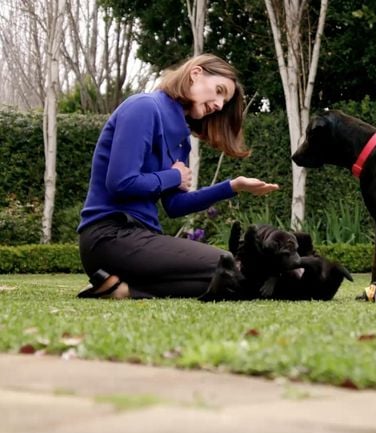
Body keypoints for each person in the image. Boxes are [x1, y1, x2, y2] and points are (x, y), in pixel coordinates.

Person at [76, 54, 279, 299]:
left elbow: (175, 206)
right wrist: (172, 176)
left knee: (236, 281)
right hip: (109, 237)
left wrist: (233, 186)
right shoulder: (143, 107)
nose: (218, 105)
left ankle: (124, 290)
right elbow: (120, 183)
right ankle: (122, 284)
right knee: (232, 269)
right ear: (195, 74)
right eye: (218, 91)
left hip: (144, 239)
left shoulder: (182, 142)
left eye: (223, 101)